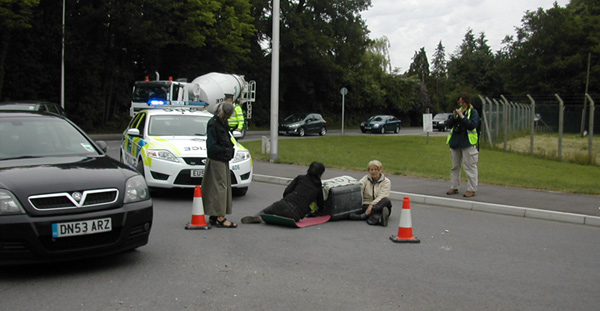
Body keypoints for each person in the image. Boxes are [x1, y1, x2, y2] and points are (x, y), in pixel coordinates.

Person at [241, 162, 326, 223]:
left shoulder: (300, 178)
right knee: (295, 211)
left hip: (283, 204)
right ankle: (282, 215)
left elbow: (286, 192)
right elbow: (320, 204)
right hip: (296, 214)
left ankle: (259, 216)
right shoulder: (318, 186)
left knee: (265, 211)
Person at [202, 101, 237, 228]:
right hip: (217, 160)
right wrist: (226, 151)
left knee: (218, 186)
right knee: (221, 187)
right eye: (225, 116)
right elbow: (211, 146)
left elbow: (226, 138)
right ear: (220, 113)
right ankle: (221, 217)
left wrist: (230, 149)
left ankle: (214, 215)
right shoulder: (213, 124)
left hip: (222, 159)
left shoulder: (222, 122)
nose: (226, 119)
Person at [446, 92, 480, 197]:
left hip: (467, 143)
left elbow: (473, 125)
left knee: (469, 166)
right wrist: (455, 117)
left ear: (467, 102)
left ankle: (471, 188)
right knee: (455, 167)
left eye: (463, 102)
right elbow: (448, 124)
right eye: (460, 102)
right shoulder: (458, 112)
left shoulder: (473, 112)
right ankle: (454, 187)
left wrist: (462, 117)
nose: (461, 104)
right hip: (456, 142)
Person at [349, 160, 392, 227]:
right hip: (366, 204)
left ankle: (364, 216)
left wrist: (372, 206)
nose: (373, 172)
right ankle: (379, 219)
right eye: (371, 170)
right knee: (374, 214)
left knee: (386, 200)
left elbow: (382, 195)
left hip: (379, 205)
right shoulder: (365, 179)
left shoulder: (386, 182)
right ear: (368, 171)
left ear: (380, 170)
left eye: (376, 169)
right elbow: (359, 187)